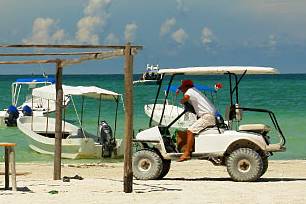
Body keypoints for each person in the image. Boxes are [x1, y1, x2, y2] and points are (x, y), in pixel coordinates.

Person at [177, 80, 217, 162]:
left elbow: (186, 98)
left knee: (190, 131)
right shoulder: (195, 91)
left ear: (186, 87)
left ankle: (187, 153)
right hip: (209, 115)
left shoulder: (190, 91)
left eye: (182, 88)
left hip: (207, 116)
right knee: (191, 129)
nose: (181, 90)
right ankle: (191, 149)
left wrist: (181, 101)